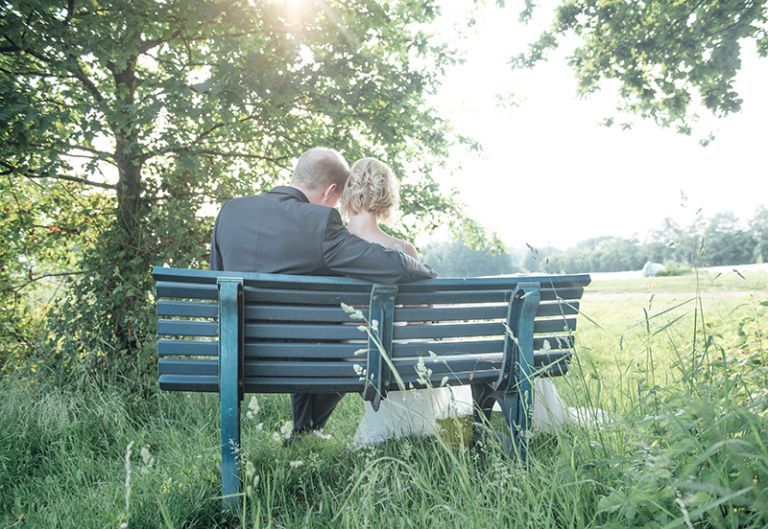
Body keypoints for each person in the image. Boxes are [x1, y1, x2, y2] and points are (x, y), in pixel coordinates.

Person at [210, 147, 436, 438]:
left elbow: (218, 279)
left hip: (237, 352)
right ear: (331, 191)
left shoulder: (230, 212)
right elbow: (389, 265)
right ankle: (306, 431)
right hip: (306, 358)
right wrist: (427, 272)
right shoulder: (318, 222)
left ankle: (302, 432)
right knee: (336, 335)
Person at [340, 157, 455, 445]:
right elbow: (420, 323)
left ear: (347, 193)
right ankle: (416, 430)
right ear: (386, 194)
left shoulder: (332, 248)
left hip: (344, 354)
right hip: (395, 356)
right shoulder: (403, 251)